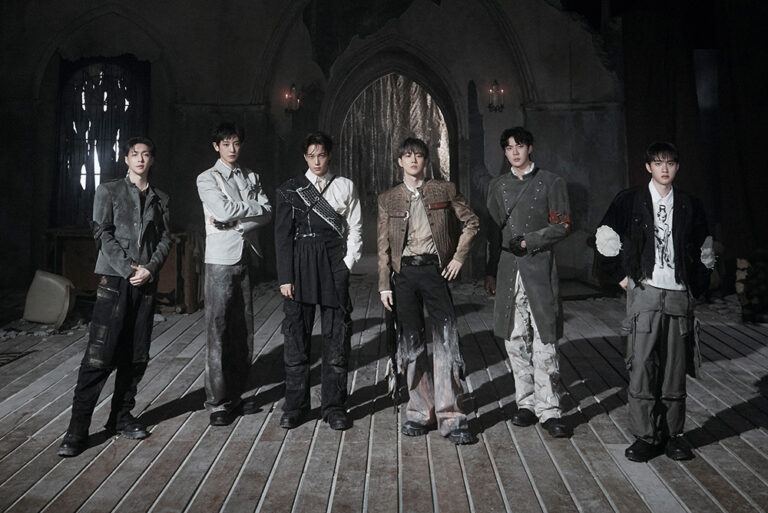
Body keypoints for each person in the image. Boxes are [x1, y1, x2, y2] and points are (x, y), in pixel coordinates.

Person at [595, 141, 713, 462]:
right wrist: (622, 277)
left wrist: (695, 286)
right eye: (658, 163)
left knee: (675, 367)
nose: (664, 169)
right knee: (642, 365)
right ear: (648, 167)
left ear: (677, 167)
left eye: (670, 163)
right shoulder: (629, 200)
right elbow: (605, 236)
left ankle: (674, 435)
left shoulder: (688, 204)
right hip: (645, 291)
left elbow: (705, 247)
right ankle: (645, 436)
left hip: (677, 293)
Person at [58, 137, 172, 457]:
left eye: (146, 154)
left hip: (144, 283)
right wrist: (128, 268)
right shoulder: (109, 191)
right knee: (99, 355)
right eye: (135, 154)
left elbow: (165, 239)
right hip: (115, 281)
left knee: (136, 354)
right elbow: (102, 233)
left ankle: (120, 418)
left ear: (152, 160)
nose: (140, 159)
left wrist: (149, 269)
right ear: (126, 159)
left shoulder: (161, 198)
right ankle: (76, 431)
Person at [377, 137, 479, 444]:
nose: (413, 160)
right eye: (407, 156)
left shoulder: (444, 190)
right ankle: (420, 412)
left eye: (419, 155)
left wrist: (458, 257)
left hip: (435, 271)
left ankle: (451, 416)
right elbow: (383, 247)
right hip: (404, 276)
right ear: (399, 162)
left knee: (446, 340)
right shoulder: (388, 198)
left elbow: (471, 222)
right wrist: (384, 285)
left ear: (426, 161)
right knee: (411, 343)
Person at [485, 127, 572, 438]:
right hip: (509, 269)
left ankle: (550, 409)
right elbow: (493, 231)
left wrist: (530, 241)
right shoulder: (497, 186)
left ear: (530, 148)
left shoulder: (551, 182)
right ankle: (526, 403)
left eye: (519, 146)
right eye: (509, 148)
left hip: (539, 267)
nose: (515, 152)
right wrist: (490, 270)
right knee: (514, 338)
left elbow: (562, 225)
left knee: (545, 338)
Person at [274, 131, 362, 430]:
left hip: (333, 262)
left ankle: (334, 406)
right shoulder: (291, 190)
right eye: (311, 156)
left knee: (336, 337)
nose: (317, 161)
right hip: (299, 265)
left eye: (321, 155)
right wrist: (286, 277)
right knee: (296, 339)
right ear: (305, 157)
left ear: (329, 155)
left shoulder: (345, 186)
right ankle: (295, 406)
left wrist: (348, 264)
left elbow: (355, 227)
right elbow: (282, 237)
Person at [196, 122, 272, 426]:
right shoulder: (207, 178)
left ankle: (236, 395)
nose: (232, 149)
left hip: (244, 255)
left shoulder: (251, 176)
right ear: (216, 147)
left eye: (236, 143)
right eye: (225, 144)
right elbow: (222, 211)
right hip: (219, 260)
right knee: (218, 330)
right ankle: (217, 402)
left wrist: (238, 223)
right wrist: (248, 209)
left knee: (242, 329)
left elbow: (267, 212)